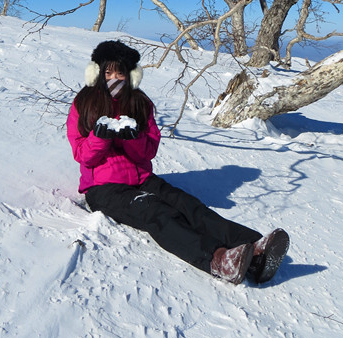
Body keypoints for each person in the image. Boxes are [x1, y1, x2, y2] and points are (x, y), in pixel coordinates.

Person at [66, 40, 290, 285]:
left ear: (131, 75)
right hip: (103, 188)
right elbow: (82, 155)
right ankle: (217, 259)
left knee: (189, 205)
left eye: (120, 72)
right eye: (108, 72)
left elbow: (147, 152)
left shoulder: (140, 103)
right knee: (157, 212)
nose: (114, 78)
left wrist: (134, 138)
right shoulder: (84, 103)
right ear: (97, 73)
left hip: (142, 178)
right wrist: (100, 136)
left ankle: (255, 250)